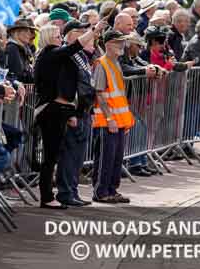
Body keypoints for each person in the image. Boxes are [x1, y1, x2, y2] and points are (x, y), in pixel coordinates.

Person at [34, 20, 105, 209]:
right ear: (49, 38)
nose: (60, 39)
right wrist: (94, 30)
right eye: (58, 36)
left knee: (53, 156)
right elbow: (74, 46)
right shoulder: (48, 54)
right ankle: (47, 197)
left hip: (61, 110)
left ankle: (51, 195)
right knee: (50, 157)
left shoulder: (56, 56)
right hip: (51, 111)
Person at [91, 29, 136, 203]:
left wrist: (122, 121)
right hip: (106, 121)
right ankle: (101, 192)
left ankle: (111, 190)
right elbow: (100, 93)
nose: (122, 45)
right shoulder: (101, 64)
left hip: (118, 121)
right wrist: (109, 118)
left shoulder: (115, 63)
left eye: (123, 41)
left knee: (116, 158)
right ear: (108, 44)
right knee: (105, 158)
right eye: (118, 42)